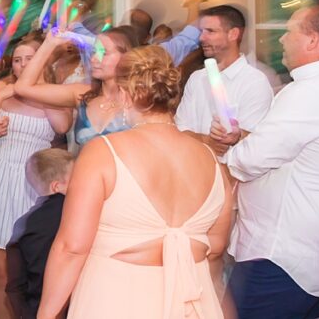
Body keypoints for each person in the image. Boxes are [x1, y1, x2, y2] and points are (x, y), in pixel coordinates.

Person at [39, 46, 234, 319]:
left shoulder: (102, 152)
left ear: (125, 95)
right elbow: (215, 250)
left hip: (117, 299)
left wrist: (46, 314)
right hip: (194, 302)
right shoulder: (212, 160)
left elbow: (72, 247)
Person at [221, 0, 319, 319]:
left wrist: (231, 151)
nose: (281, 39)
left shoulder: (312, 92)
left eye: (289, 31)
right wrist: (244, 139)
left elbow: (246, 162)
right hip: (310, 251)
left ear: (313, 40)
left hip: (282, 258)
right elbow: (292, 150)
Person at [0, 36, 73, 319]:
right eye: (17, 60)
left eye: (29, 59)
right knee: (1, 273)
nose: (21, 65)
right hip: (0, 177)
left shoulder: (55, 93)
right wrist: (0, 97)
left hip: (35, 182)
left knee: (33, 266)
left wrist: (37, 93)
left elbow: (63, 126)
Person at [15, 27, 138, 150]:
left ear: (126, 57)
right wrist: (49, 43)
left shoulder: (140, 99)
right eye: (94, 52)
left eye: (104, 53)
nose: (94, 58)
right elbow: (23, 88)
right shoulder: (82, 93)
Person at [175, 5, 273, 157]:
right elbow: (180, 130)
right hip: (195, 169)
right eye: (201, 31)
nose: (201, 38)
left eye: (210, 31)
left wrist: (232, 138)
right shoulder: (197, 78)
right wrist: (205, 141)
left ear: (233, 34)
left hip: (233, 176)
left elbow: (254, 142)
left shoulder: (254, 82)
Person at [6, 148, 74, 319]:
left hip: (35, 306)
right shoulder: (74, 214)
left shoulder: (24, 224)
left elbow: (15, 284)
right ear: (56, 186)